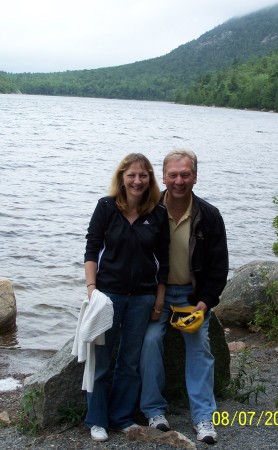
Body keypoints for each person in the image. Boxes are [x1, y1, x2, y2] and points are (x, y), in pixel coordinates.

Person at [140, 149, 229, 445]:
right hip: (157, 296)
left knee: (200, 346)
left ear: (195, 177)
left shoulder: (209, 216)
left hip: (193, 296)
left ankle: (203, 416)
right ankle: (154, 410)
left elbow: (218, 267)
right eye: (173, 174)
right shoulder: (149, 212)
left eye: (185, 174)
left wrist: (205, 303)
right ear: (163, 176)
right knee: (151, 341)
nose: (179, 181)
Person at [83, 153, 170, 442]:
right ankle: (97, 420)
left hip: (143, 297)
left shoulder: (157, 214)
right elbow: (92, 249)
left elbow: (164, 261)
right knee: (102, 359)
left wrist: (159, 300)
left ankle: (121, 416)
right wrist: (92, 288)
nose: (137, 180)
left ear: (150, 179)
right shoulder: (106, 207)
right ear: (122, 177)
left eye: (143, 175)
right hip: (108, 297)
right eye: (131, 175)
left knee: (130, 361)